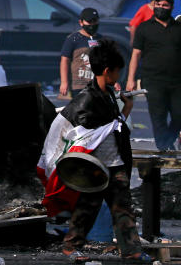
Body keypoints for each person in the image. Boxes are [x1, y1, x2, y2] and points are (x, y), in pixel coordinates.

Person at [60, 39, 149, 263]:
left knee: (123, 208)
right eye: (117, 72)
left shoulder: (109, 95)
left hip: (115, 161)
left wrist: (126, 108)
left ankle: (131, 250)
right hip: (95, 165)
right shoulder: (87, 99)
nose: (118, 77)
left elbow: (113, 128)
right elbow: (82, 133)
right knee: (87, 208)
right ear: (108, 71)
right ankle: (71, 247)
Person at [127, 0, 181, 150]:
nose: (161, 7)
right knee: (158, 116)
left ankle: (168, 140)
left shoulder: (178, 28)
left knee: (179, 114)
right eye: (158, 4)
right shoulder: (144, 28)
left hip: (177, 81)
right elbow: (136, 54)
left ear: (171, 7)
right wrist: (131, 79)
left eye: (165, 5)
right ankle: (163, 147)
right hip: (153, 80)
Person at [59, 7, 101, 97]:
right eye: (89, 22)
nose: (92, 24)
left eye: (95, 21)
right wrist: (64, 82)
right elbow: (64, 60)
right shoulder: (73, 39)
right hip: (79, 85)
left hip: (97, 84)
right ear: (81, 23)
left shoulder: (101, 39)